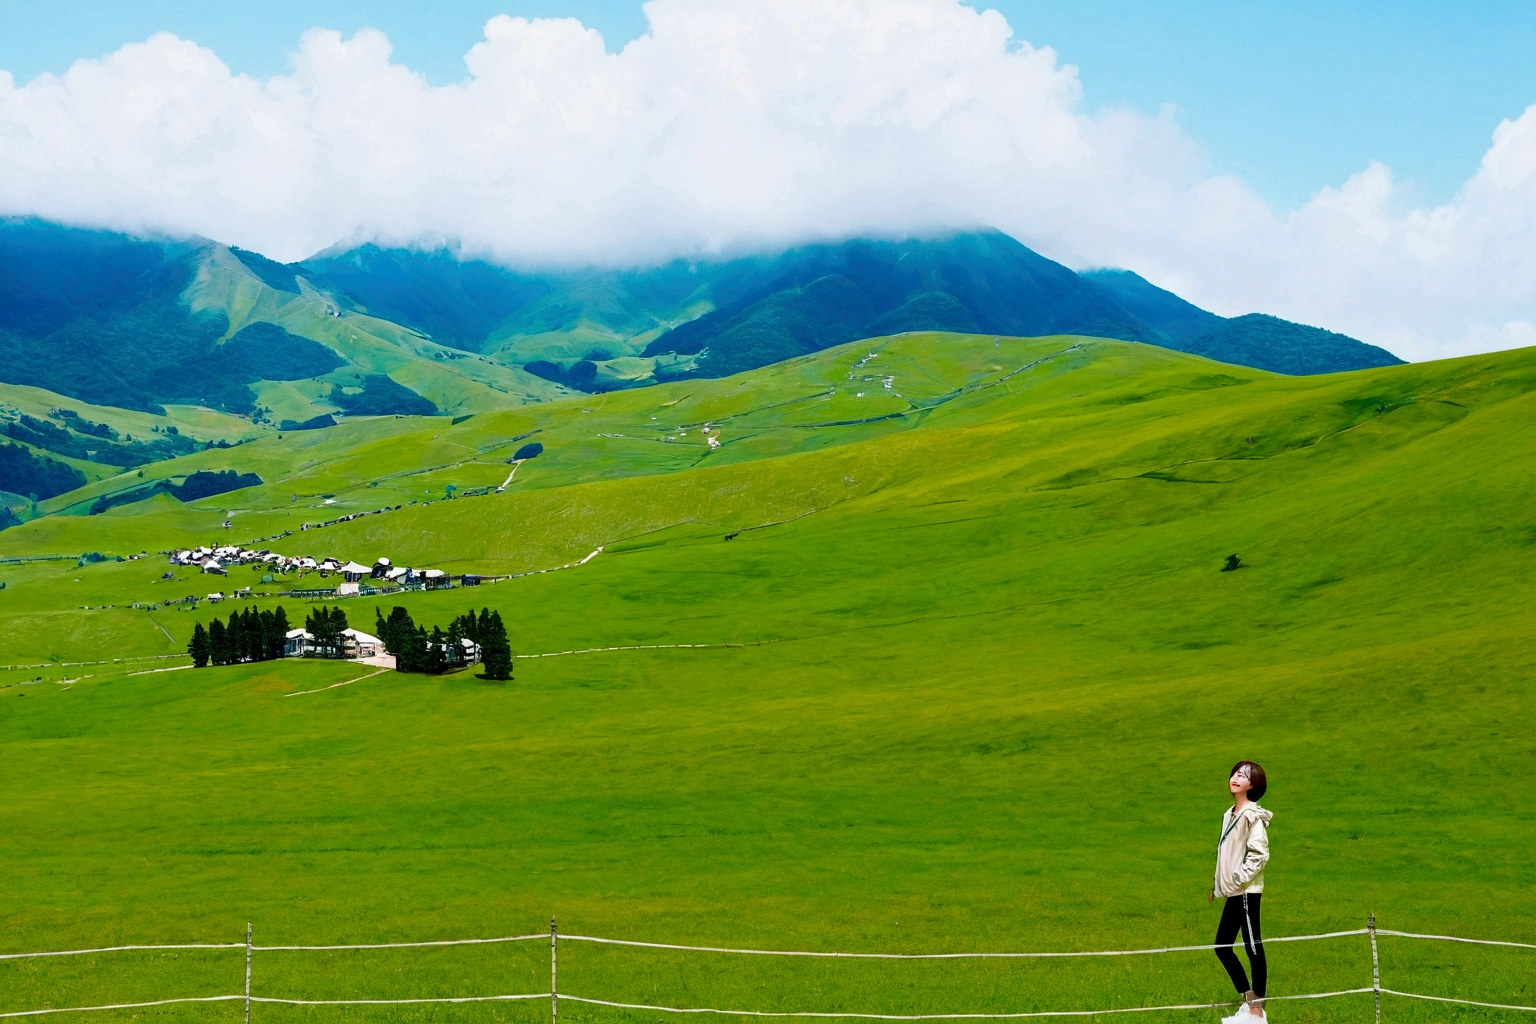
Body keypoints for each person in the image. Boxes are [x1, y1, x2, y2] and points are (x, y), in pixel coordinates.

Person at [1209, 760, 1272, 1020]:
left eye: (1243, 776)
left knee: (1252, 946)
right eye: (1235, 773)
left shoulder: (1251, 816)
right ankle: (1249, 998)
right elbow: (1226, 853)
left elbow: (1259, 854)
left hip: (1246, 892)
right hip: (1234, 891)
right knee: (1222, 946)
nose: (1235, 778)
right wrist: (1218, 885)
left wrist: (1238, 879)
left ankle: (1257, 1008)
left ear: (1253, 785)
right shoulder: (1230, 814)